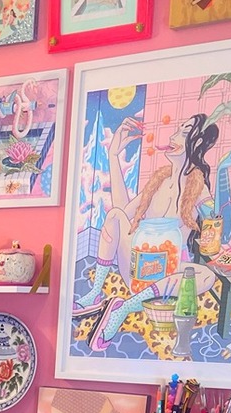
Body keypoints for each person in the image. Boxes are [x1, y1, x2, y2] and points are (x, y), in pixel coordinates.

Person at [77, 113, 220, 349]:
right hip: (137, 267)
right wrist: (113, 156)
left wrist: (220, 180)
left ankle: (124, 307)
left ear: (196, 144)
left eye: (184, 133)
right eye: (178, 130)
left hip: (166, 273)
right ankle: (95, 293)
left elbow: (215, 220)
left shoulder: (198, 187)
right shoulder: (159, 180)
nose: (173, 137)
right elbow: (122, 214)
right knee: (114, 215)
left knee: (207, 276)